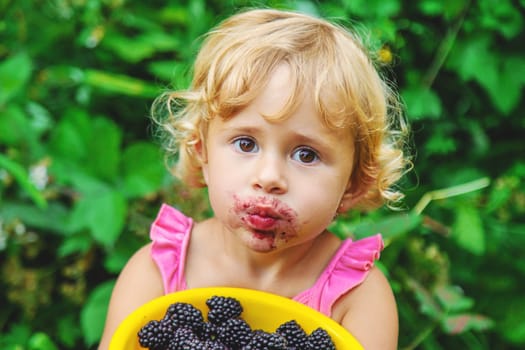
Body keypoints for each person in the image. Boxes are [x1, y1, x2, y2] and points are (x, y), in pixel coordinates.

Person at [98, 7, 411, 350]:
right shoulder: (154, 273)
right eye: (246, 144)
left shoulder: (359, 298)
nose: (269, 177)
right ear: (202, 152)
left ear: (352, 183)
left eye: (306, 154)